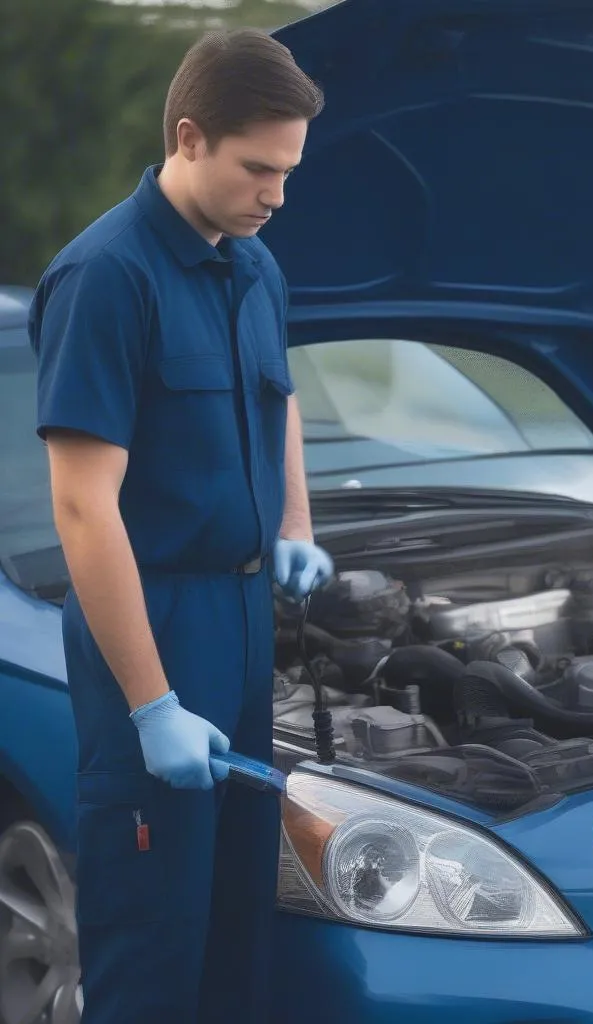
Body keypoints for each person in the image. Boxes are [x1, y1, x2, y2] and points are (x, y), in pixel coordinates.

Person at [29, 28, 334, 1023]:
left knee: (239, 927)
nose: (277, 194)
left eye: (288, 171)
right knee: (153, 946)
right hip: (151, 629)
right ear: (190, 138)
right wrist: (151, 702)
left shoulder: (253, 264)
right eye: (259, 169)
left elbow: (277, 396)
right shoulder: (107, 279)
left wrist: (294, 521)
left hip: (245, 622)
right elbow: (82, 506)